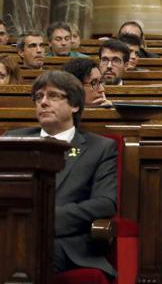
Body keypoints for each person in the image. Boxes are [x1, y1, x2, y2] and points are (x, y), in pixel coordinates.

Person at [4, 71, 117, 277]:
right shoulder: (13, 139)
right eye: (38, 97)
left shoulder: (99, 147)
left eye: (53, 96)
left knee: (27, 252)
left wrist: (45, 219)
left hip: (65, 241)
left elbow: (105, 202)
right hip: (11, 232)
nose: (43, 102)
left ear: (75, 105)